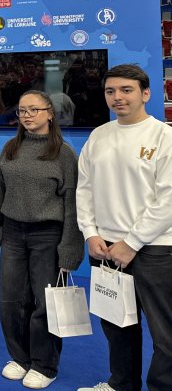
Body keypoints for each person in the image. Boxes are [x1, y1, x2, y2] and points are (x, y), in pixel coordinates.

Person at [76, 64, 172, 391]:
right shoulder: (99, 136)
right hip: (105, 249)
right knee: (117, 325)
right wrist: (90, 232)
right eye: (110, 91)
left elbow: (168, 199)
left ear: (146, 94)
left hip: (155, 250)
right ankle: (121, 384)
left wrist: (132, 242)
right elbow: (84, 190)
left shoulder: (164, 136)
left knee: (165, 333)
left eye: (126, 90)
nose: (118, 97)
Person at [0, 90, 83, 388]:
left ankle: (44, 365)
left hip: (48, 235)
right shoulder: (10, 148)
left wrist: (70, 248)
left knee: (46, 302)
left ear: (50, 113)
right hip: (13, 233)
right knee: (11, 300)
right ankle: (21, 358)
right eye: (22, 111)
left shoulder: (64, 153)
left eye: (33, 110)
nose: (26, 116)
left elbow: (73, 205)